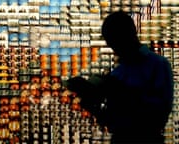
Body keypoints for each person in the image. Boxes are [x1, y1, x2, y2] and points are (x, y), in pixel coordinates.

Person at [66, 11, 174, 144]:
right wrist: (93, 107)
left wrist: (120, 92)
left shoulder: (158, 65)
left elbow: (158, 116)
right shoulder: (118, 72)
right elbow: (112, 120)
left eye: (115, 41)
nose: (113, 48)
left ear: (130, 33)